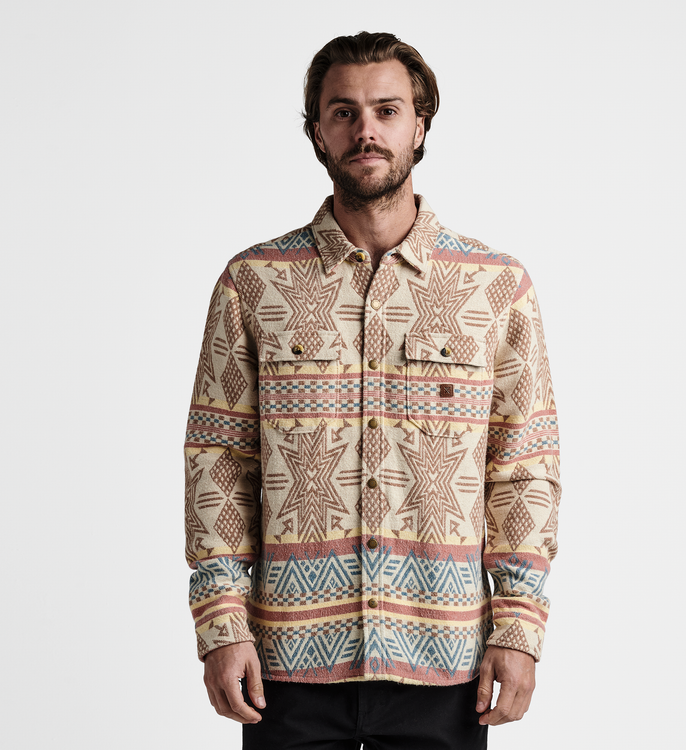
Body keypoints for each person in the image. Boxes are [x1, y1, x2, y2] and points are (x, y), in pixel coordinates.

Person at [184, 31, 561, 750]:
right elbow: (218, 464)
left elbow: (524, 470)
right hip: (285, 666)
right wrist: (221, 625)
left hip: (446, 662)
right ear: (316, 132)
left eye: (387, 110)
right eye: (344, 112)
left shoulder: (496, 286)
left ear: (420, 126)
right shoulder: (253, 283)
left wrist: (519, 628)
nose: (366, 131)